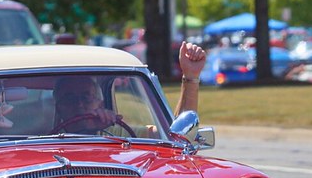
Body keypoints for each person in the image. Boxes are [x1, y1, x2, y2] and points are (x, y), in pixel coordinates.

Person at [52, 41, 206, 134]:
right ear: (58, 107)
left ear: (100, 104)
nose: (79, 104)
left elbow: (174, 136)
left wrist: (190, 77)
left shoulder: (117, 132)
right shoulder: (46, 138)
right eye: (69, 98)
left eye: (86, 97)